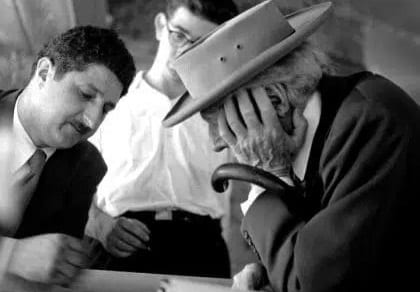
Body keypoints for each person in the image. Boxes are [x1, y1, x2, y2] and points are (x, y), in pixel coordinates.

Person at [162, 0, 420, 291]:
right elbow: (317, 254)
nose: (216, 142)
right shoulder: (324, 127)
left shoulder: (371, 124)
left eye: (218, 121)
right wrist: (271, 275)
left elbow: (314, 283)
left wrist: (266, 172)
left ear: (274, 101)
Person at [84, 0, 239, 278]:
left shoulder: (226, 110)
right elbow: (68, 183)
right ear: (159, 27)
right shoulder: (109, 99)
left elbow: (229, 202)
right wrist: (98, 224)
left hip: (201, 249)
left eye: (202, 45)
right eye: (179, 35)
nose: (184, 52)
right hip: (116, 243)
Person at [0, 25, 135, 288]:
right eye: (86, 95)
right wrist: (11, 255)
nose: (93, 120)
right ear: (43, 73)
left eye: (106, 109)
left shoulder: (87, 166)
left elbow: (54, 275)